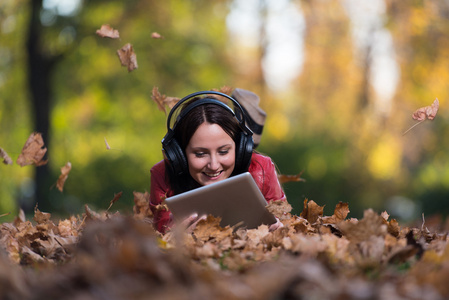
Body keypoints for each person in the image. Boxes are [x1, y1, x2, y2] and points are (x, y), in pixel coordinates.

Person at [149, 90, 286, 234]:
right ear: (180, 154)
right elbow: (161, 233)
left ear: (240, 149)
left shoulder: (261, 168)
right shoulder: (161, 174)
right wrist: (173, 234)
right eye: (200, 154)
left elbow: (287, 222)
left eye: (223, 151)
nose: (213, 166)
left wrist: (279, 227)